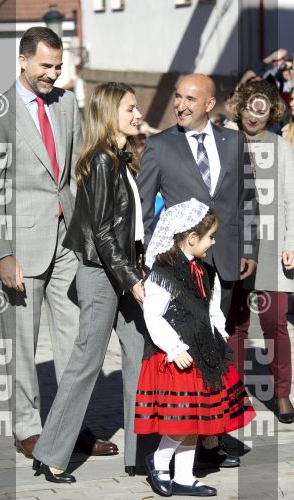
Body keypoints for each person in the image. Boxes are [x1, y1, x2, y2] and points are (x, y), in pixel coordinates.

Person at [0, 27, 117, 459]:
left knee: (79, 341)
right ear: (22, 60)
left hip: (69, 244)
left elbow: (76, 171)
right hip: (21, 248)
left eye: (58, 66)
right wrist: (2, 253)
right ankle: (26, 427)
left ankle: (74, 427)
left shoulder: (68, 103)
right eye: (45, 66)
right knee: (22, 342)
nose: (53, 74)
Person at [138, 73, 259, 466]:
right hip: (180, 270)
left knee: (219, 351)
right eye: (177, 97)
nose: (181, 105)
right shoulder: (158, 146)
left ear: (210, 105)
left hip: (225, 260)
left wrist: (249, 247)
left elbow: (247, 200)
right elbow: (141, 210)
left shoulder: (235, 140)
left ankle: (214, 435)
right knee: (186, 352)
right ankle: (181, 437)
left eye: (191, 98)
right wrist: (142, 264)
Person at [32, 82, 146, 482]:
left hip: (123, 271)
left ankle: (139, 452)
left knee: (138, 350)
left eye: (136, 107)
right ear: (109, 113)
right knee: (86, 362)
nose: (137, 114)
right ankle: (52, 454)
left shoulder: (121, 157)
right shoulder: (101, 161)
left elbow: (128, 227)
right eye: (129, 108)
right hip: (102, 274)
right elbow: (101, 232)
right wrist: (132, 280)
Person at [135, 199, 256, 497]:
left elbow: (211, 307)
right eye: (210, 237)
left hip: (203, 352)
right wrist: (175, 348)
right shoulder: (164, 272)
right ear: (191, 238)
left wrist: (220, 332)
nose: (213, 242)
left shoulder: (204, 271)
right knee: (181, 420)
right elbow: (153, 315)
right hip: (177, 358)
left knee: (196, 419)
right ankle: (160, 461)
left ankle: (185, 476)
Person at [227, 79, 294, 423]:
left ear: (272, 112)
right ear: (240, 107)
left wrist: (290, 243)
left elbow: (290, 198)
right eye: (249, 108)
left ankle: (282, 393)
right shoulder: (224, 139)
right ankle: (234, 394)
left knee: (274, 321)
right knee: (235, 323)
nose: (254, 116)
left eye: (262, 110)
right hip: (234, 243)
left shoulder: (281, 147)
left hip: (270, 243)